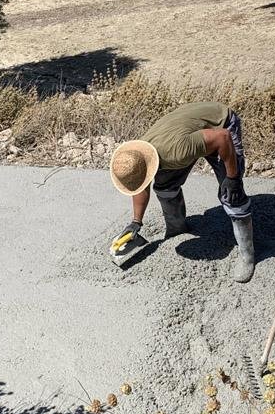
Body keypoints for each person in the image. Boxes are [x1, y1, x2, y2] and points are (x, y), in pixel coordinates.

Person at [109, 102, 255, 282]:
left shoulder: (176, 153)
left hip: (220, 124)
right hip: (189, 133)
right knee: (164, 185)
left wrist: (232, 178)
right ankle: (177, 229)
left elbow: (222, 137)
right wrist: (136, 222)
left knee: (231, 195)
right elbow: (141, 186)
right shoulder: (138, 154)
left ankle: (247, 255)